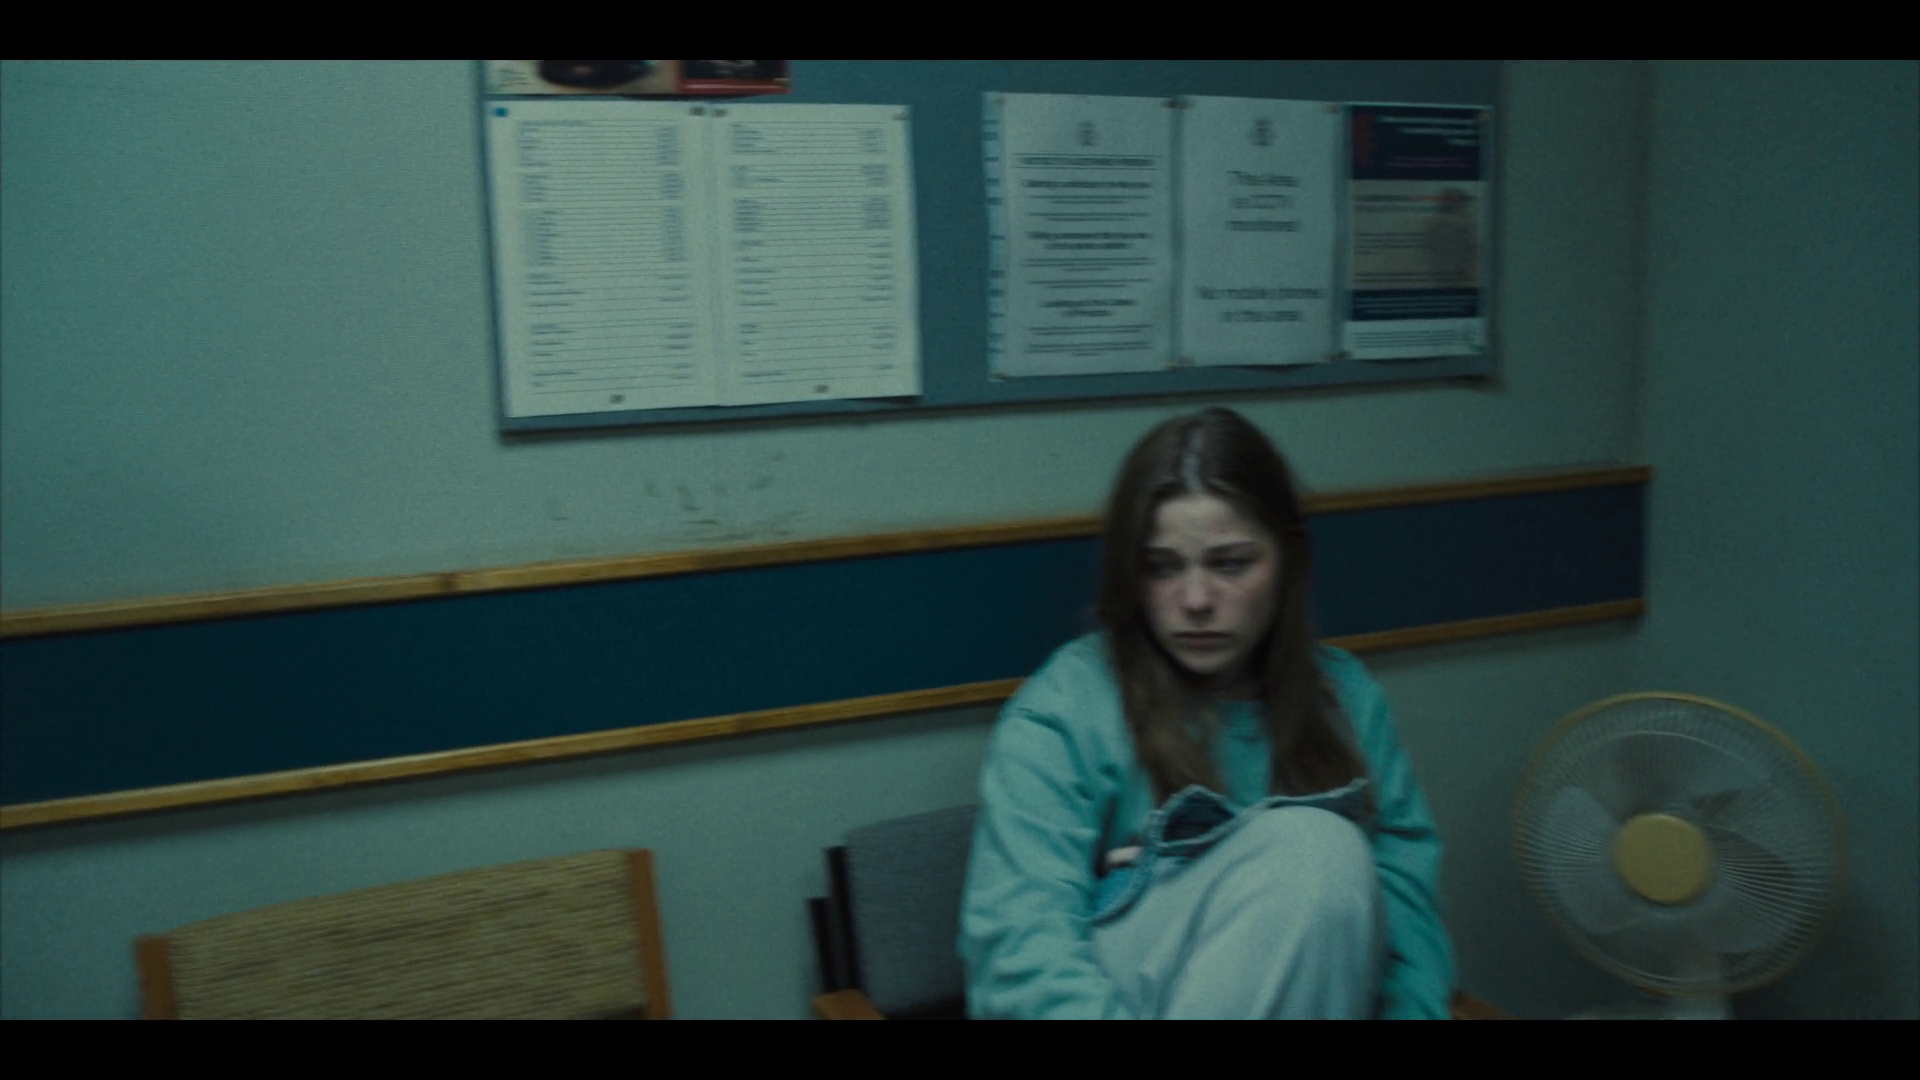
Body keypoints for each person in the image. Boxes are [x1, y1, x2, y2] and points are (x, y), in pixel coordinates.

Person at [958, 407, 1456, 1019]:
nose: (1195, 600)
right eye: (1162, 567)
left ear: (1286, 561)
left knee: (1323, 859)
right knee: (1312, 848)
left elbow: (1408, 935)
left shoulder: (1344, 698)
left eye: (1230, 564)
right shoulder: (1066, 708)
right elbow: (1020, 952)